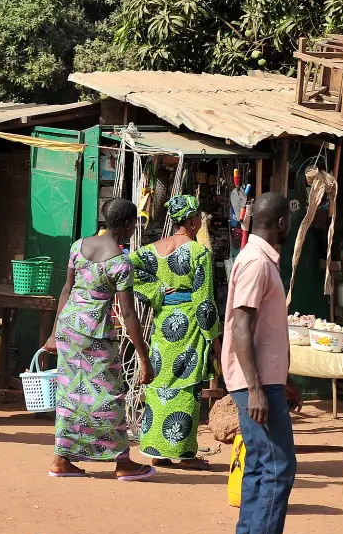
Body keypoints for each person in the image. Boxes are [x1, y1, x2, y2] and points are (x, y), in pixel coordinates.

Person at [43, 198, 156, 480]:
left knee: (70, 392)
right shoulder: (120, 262)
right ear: (129, 226)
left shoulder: (78, 246)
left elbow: (66, 290)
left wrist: (53, 333)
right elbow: (128, 314)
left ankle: (61, 459)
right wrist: (143, 357)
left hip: (69, 328)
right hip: (95, 332)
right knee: (109, 395)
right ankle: (123, 462)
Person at [226, 192, 302, 534]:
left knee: (259, 465)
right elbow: (241, 327)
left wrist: (280, 380)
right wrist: (256, 388)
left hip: (263, 380)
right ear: (282, 224)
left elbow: (261, 331)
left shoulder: (258, 260)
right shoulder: (257, 262)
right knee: (278, 466)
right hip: (254, 383)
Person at [131, 195, 221, 468]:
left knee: (160, 384)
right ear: (194, 221)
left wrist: (155, 291)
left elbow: (127, 267)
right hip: (190, 327)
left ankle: (157, 451)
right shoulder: (199, 252)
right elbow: (204, 302)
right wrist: (214, 339)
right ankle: (184, 454)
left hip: (163, 326)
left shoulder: (151, 249)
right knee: (186, 388)